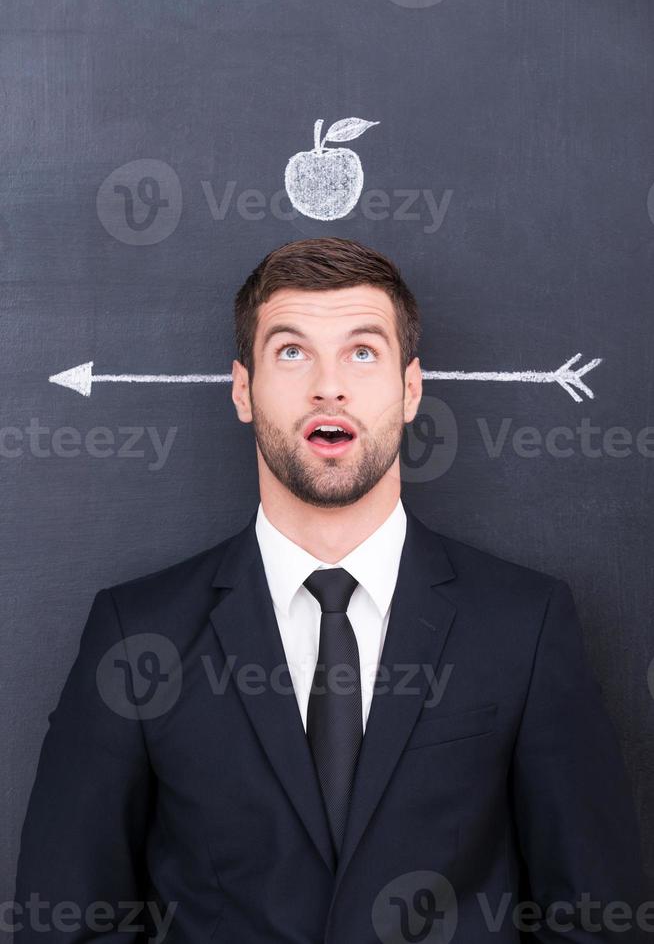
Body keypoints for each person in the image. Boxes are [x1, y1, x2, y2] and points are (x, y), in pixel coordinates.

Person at [14, 237, 648, 943]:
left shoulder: (524, 625)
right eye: (291, 352)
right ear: (241, 390)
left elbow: (595, 920)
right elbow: (65, 922)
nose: (328, 385)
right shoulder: (137, 630)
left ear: (410, 391)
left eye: (362, 351)